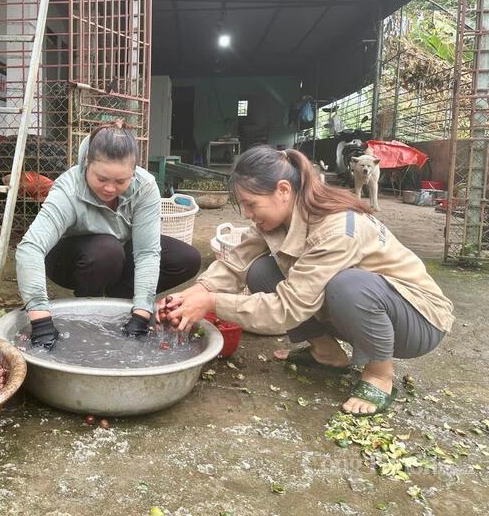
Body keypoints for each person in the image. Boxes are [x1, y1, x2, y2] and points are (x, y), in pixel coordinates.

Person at [159, 146, 454, 416]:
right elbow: (236, 262)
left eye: (251, 204)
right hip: (367, 310)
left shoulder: (337, 228)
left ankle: (379, 373)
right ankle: (328, 354)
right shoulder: (281, 217)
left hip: (417, 319)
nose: (248, 214)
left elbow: (288, 307)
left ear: (283, 190)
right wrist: (195, 293)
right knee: (262, 271)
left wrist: (212, 303)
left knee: (348, 285)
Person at [15, 121, 202, 349]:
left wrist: (142, 312)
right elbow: (30, 247)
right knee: (107, 250)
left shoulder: (145, 187)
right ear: (87, 164)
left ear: (133, 172)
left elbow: (146, 252)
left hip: (117, 253)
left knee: (186, 258)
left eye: (121, 181)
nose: (110, 189)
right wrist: (40, 317)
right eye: (101, 179)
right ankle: (88, 306)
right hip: (71, 260)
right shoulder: (68, 188)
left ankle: (117, 302)